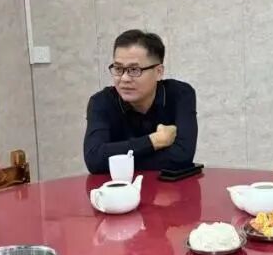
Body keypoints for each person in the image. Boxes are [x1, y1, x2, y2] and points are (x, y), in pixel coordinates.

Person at [83, 30, 197, 174]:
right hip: (121, 187)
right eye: (118, 68)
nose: (124, 78)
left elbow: (182, 157)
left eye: (134, 70)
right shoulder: (101, 102)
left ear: (158, 72)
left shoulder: (180, 94)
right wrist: (155, 140)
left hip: (169, 187)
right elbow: (94, 159)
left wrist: (118, 159)